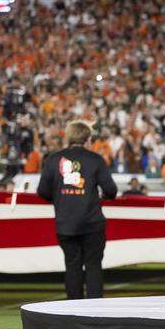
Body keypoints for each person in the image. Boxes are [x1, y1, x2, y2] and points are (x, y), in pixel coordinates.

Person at [37, 120, 118, 300]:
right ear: (88, 139)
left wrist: (60, 199)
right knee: (93, 266)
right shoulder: (95, 159)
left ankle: (72, 310)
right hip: (92, 223)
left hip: (65, 223)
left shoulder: (53, 159)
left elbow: (42, 191)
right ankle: (95, 312)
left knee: (72, 266)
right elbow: (111, 191)